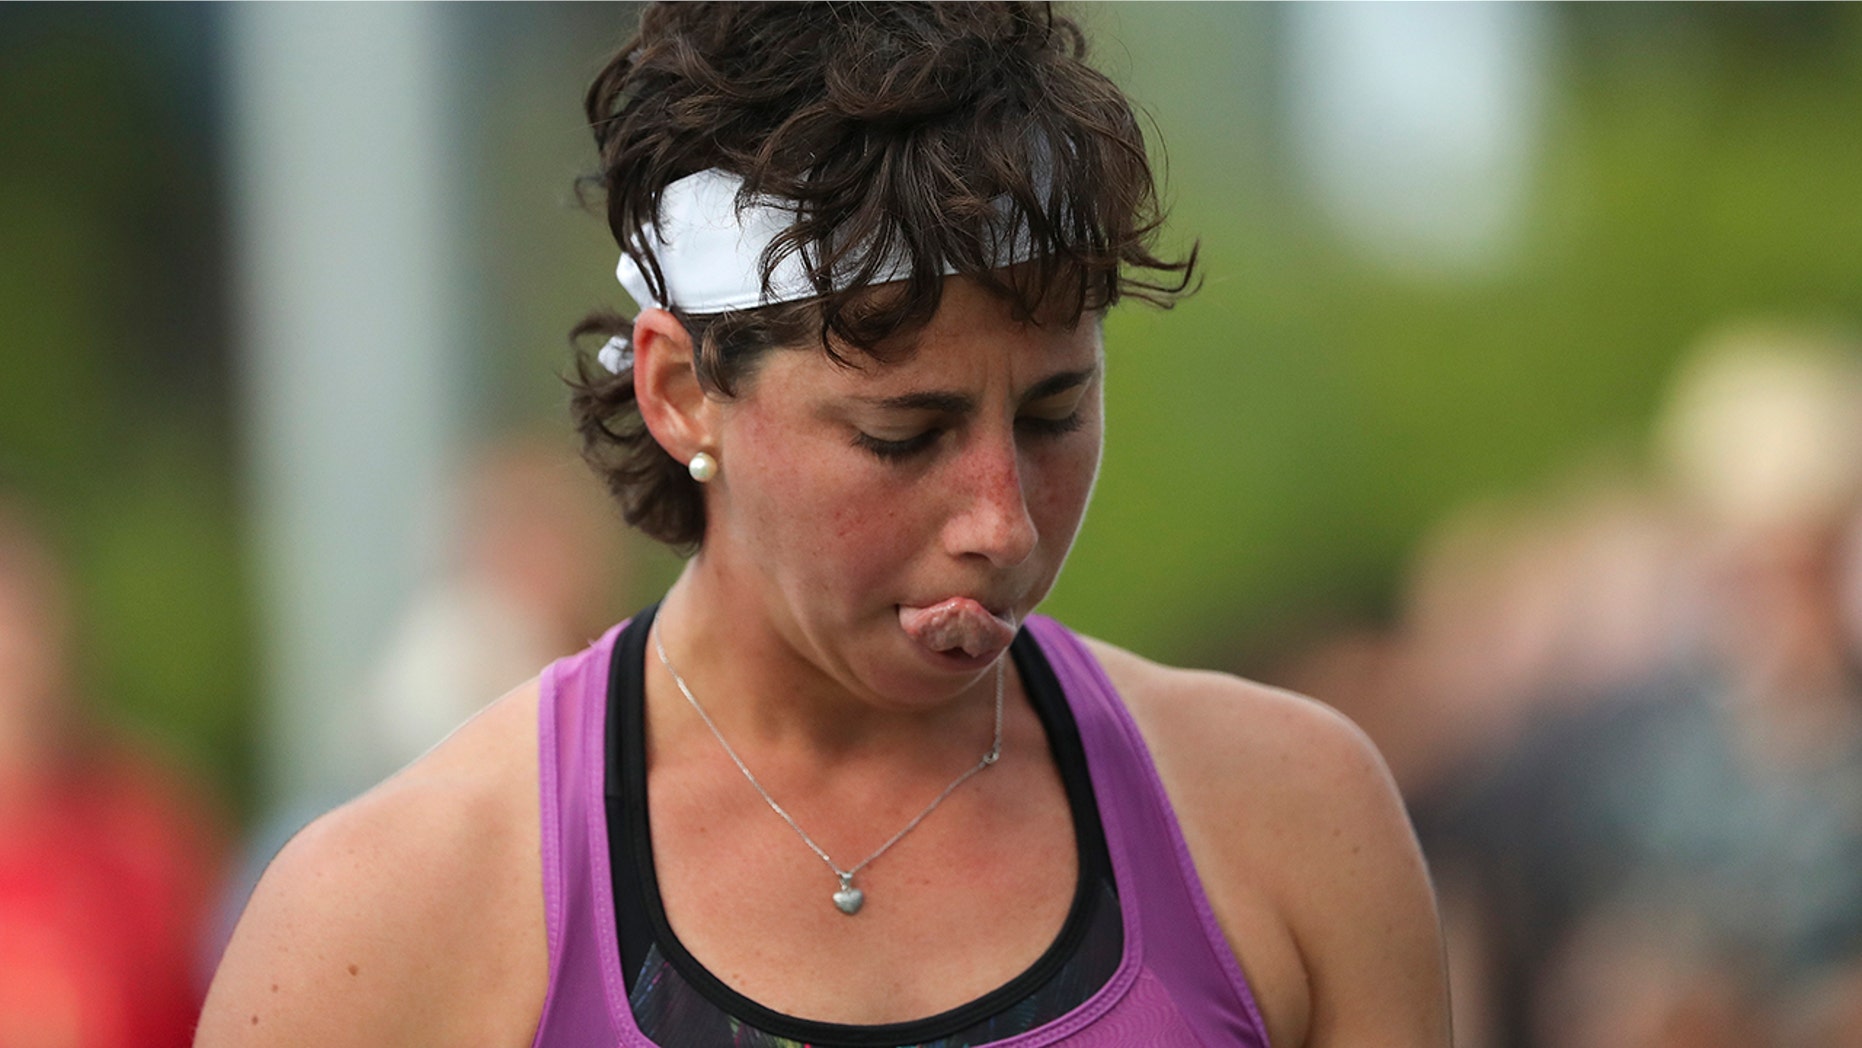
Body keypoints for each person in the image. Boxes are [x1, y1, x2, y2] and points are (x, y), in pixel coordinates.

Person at [196, 5, 1449, 1046]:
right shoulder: (383, 921)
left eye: (1055, 413)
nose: (1000, 525)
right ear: (682, 391)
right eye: (902, 434)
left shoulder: (1292, 818)